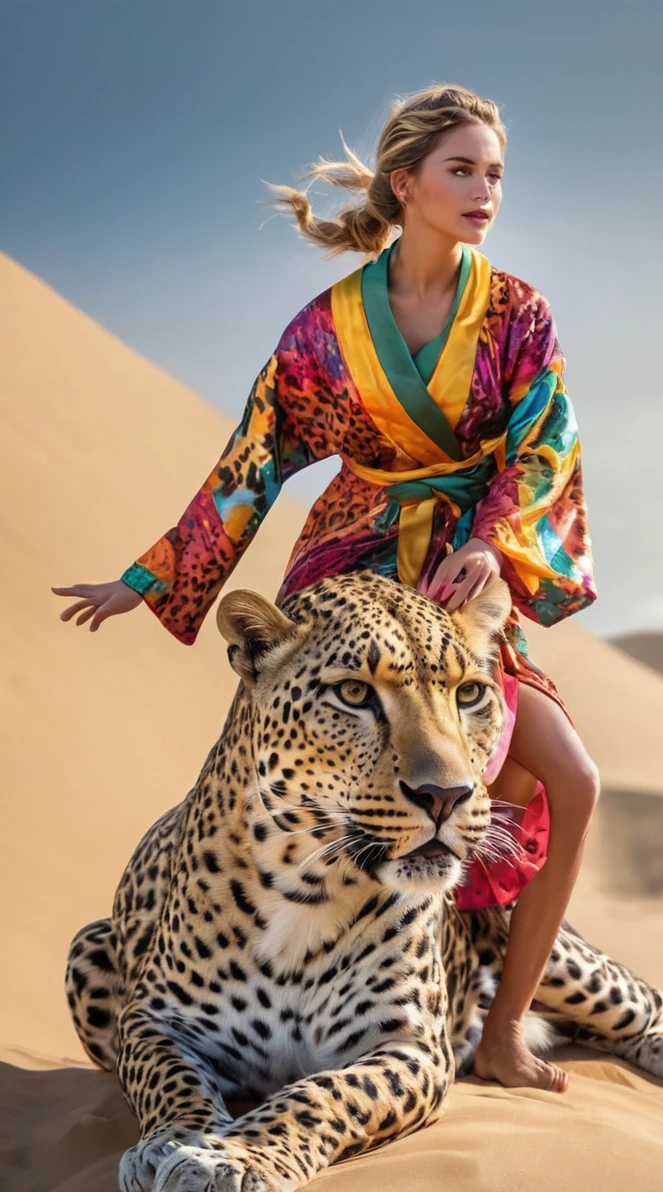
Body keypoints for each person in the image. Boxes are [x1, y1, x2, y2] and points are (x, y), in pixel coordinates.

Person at [52, 84, 600, 1095]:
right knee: (308, 779)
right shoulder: (326, 328)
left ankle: (501, 1027)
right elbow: (252, 463)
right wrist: (149, 576)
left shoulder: (518, 311)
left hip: (466, 572)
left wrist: (492, 540)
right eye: (463, 171)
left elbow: (545, 445)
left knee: (566, 779)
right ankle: (231, 1007)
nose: (486, 192)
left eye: (495, 175)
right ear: (407, 183)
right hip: (348, 566)